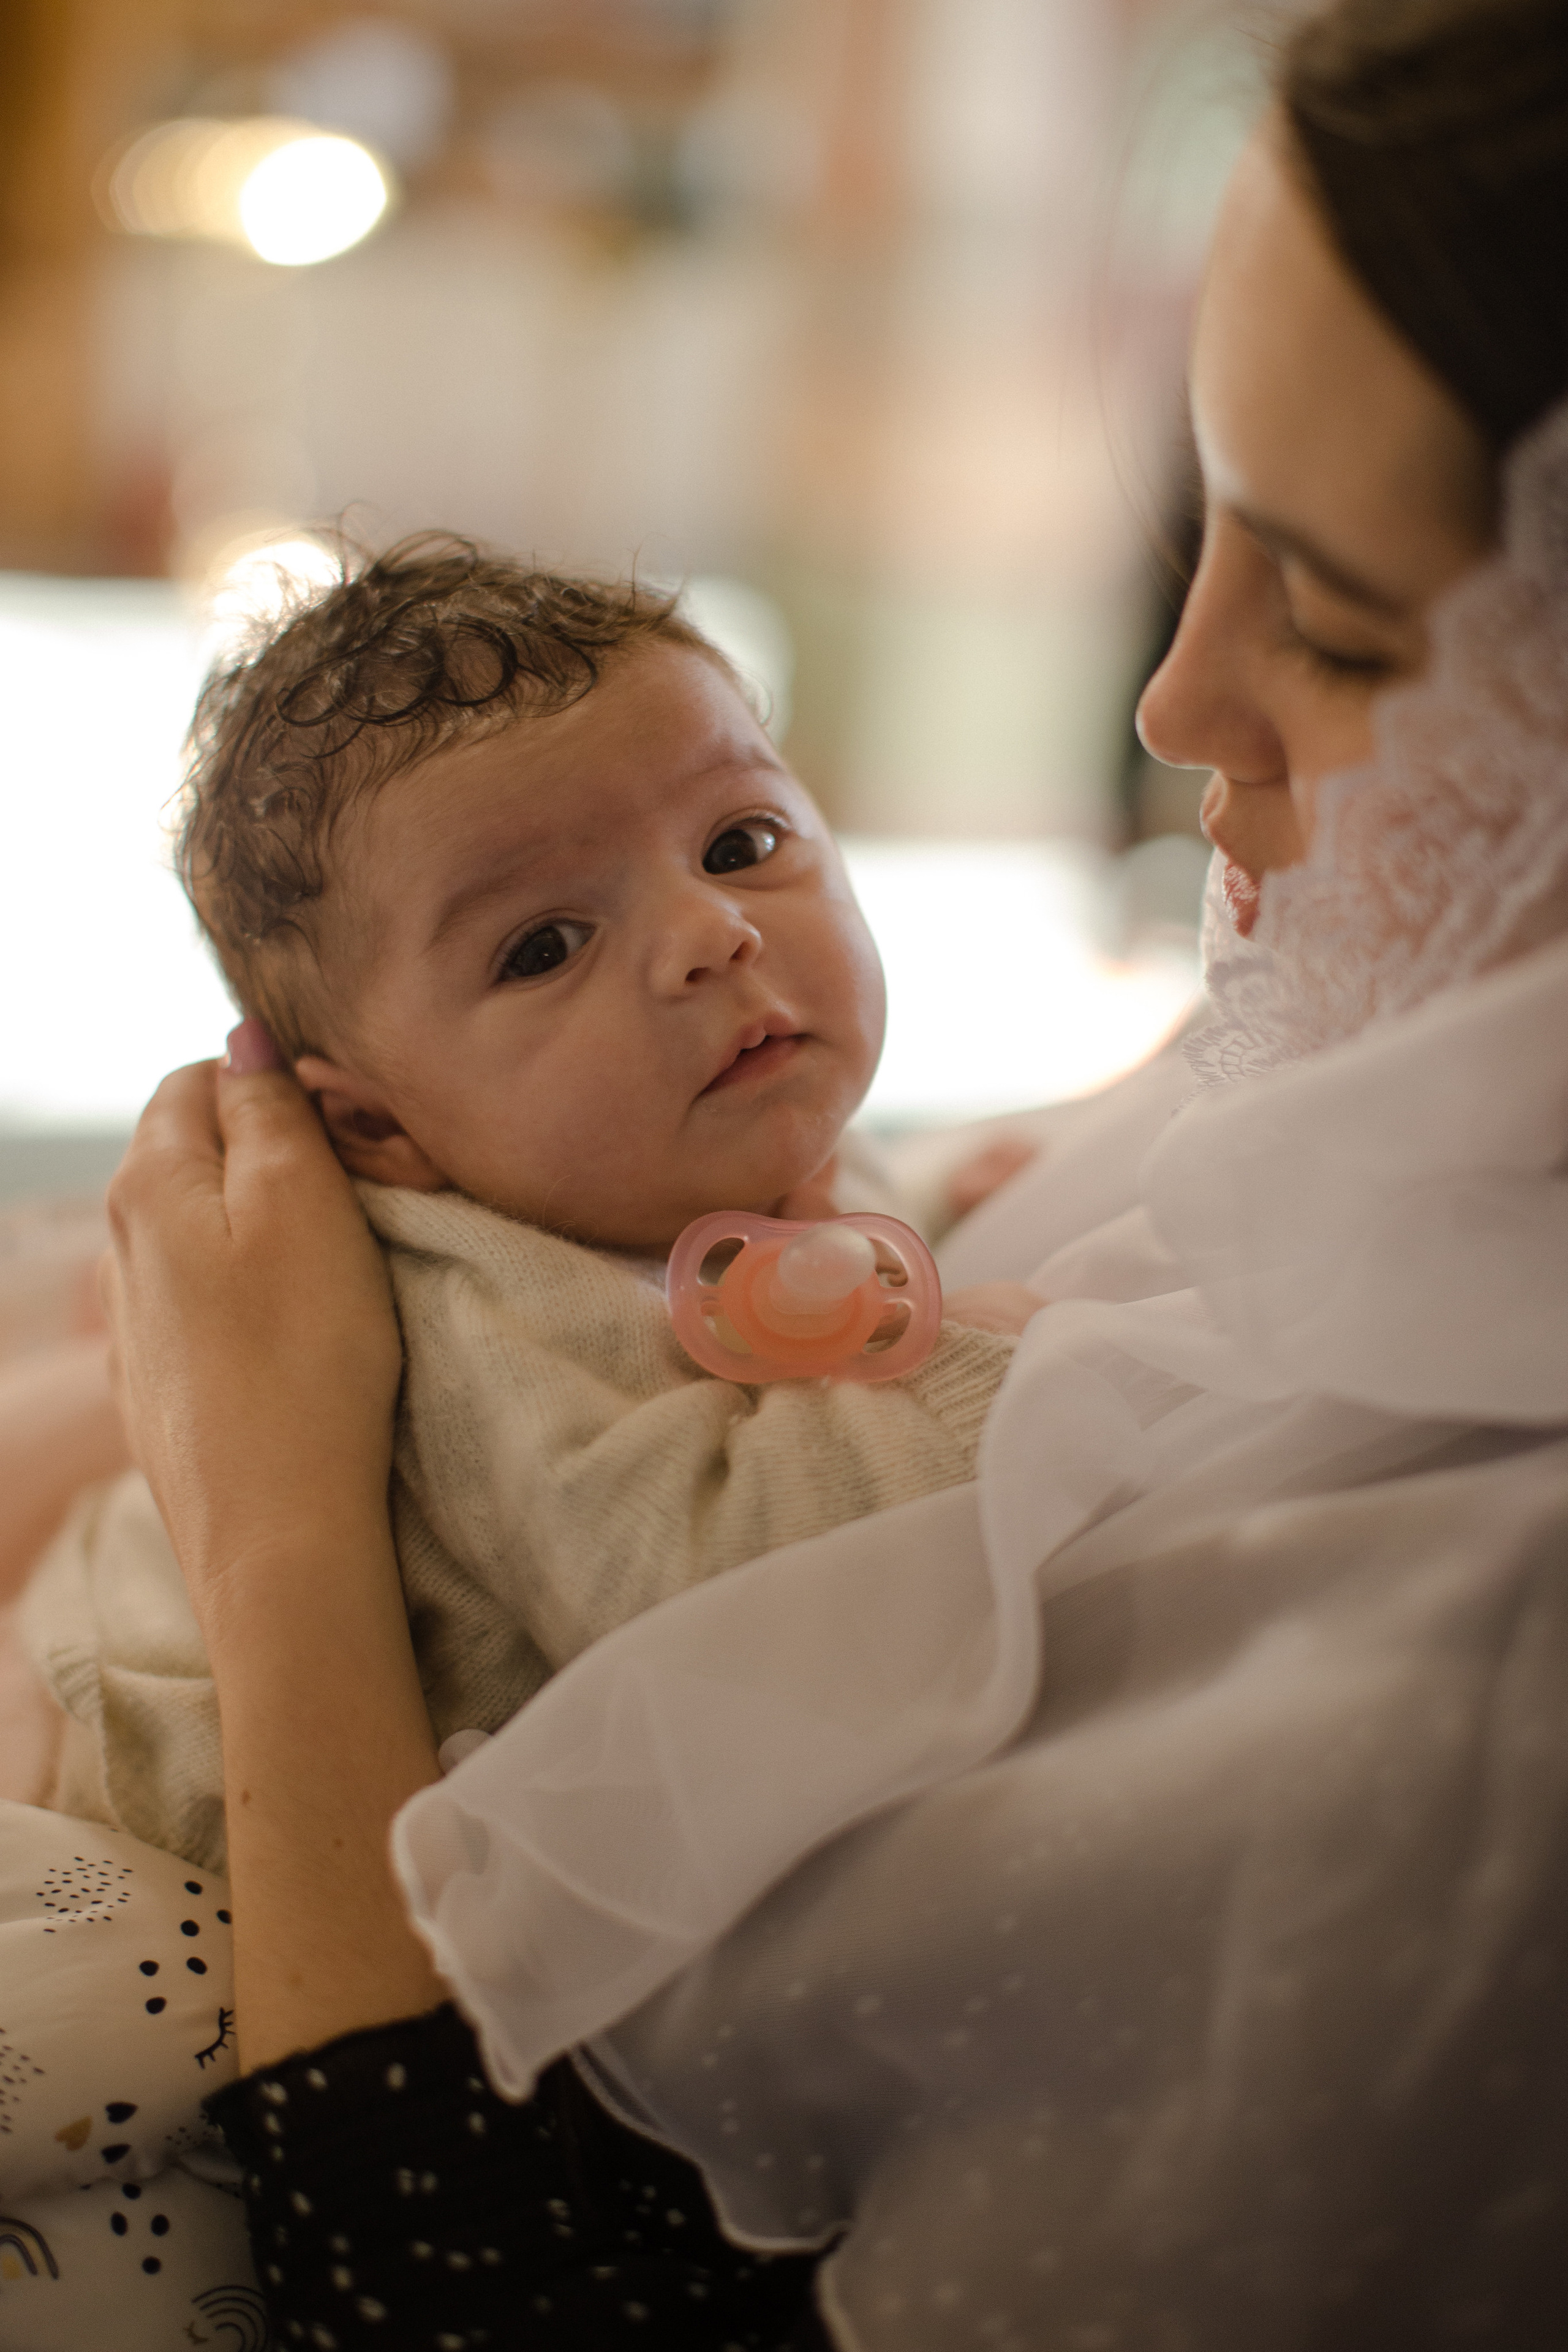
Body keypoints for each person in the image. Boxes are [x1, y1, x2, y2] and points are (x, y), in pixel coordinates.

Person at [78, 0, 1568, 2342]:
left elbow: (456, 2288)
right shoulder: (505, 1305)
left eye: (1342, 613)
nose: (1172, 706)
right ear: (360, 1111)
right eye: (552, 940)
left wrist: (274, 1524)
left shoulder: (1481, 1704)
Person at [17, 552, 1027, 1875]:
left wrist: (946, 1203)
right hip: (185, 1816)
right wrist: (1007, 1358)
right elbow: (716, 1582)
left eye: (740, 843)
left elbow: (808, 1260)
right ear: (380, 1128)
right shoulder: (483, 1321)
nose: (711, 932)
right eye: (546, 945)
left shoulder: (704, 1125)